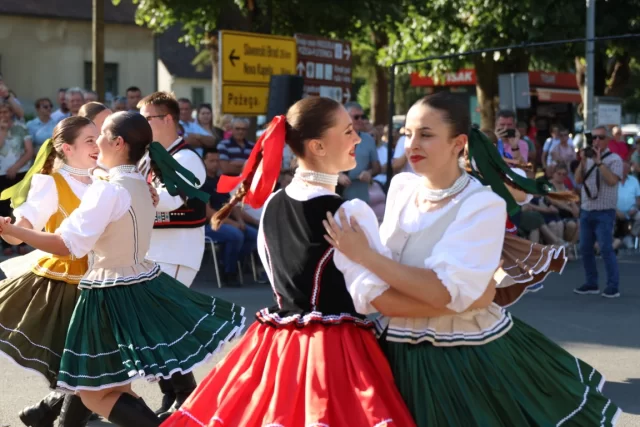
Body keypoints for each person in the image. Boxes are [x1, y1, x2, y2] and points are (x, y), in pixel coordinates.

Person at [161, 97, 502, 427]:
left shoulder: (273, 204)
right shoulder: (347, 213)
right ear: (318, 146)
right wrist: (467, 298)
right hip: (335, 350)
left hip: (277, 344)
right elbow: (376, 297)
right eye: (348, 131)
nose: (358, 138)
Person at [323, 92, 621, 426]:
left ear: (459, 143)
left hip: (462, 354)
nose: (412, 145)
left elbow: (441, 291)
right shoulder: (402, 188)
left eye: (426, 134)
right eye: (408, 134)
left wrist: (365, 259)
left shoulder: (481, 204)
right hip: (392, 345)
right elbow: (427, 288)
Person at [0, 112, 245, 426]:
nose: (97, 142)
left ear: (117, 143)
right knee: (108, 385)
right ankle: (46, 414)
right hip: (138, 282)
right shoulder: (139, 184)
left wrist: (14, 231)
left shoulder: (108, 189)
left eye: (100, 135)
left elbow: (66, 244)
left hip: (108, 291)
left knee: (94, 391)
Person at [0, 117, 102, 427]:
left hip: (107, 277)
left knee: (94, 364)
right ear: (67, 148)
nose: (98, 144)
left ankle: (45, 412)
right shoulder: (51, 184)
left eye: (98, 137)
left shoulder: (104, 178)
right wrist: (8, 229)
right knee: (89, 363)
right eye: (89, 140)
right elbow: (22, 231)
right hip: (70, 281)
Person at [137, 92, 208, 417]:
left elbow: (170, 199)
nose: (140, 125)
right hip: (154, 250)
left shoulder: (187, 157)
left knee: (164, 324)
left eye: (146, 119)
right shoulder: (149, 158)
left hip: (178, 251)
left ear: (167, 119)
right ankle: (173, 394)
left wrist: (134, 191)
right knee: (157, 326)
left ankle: (186, 395)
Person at [574, 125, 623, 298]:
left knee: (605, 248)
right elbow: (578, 179)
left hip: (604, 211)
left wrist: (599, 162)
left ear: (607, 139)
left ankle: (613, 286)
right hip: (587, 209)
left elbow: (612, 181)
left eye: (600, 137)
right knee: (585, 248)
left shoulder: (614, 159)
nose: (596, 141)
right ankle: (591, 283)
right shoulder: (587, 158)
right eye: (593, 137)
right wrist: (582, 161)